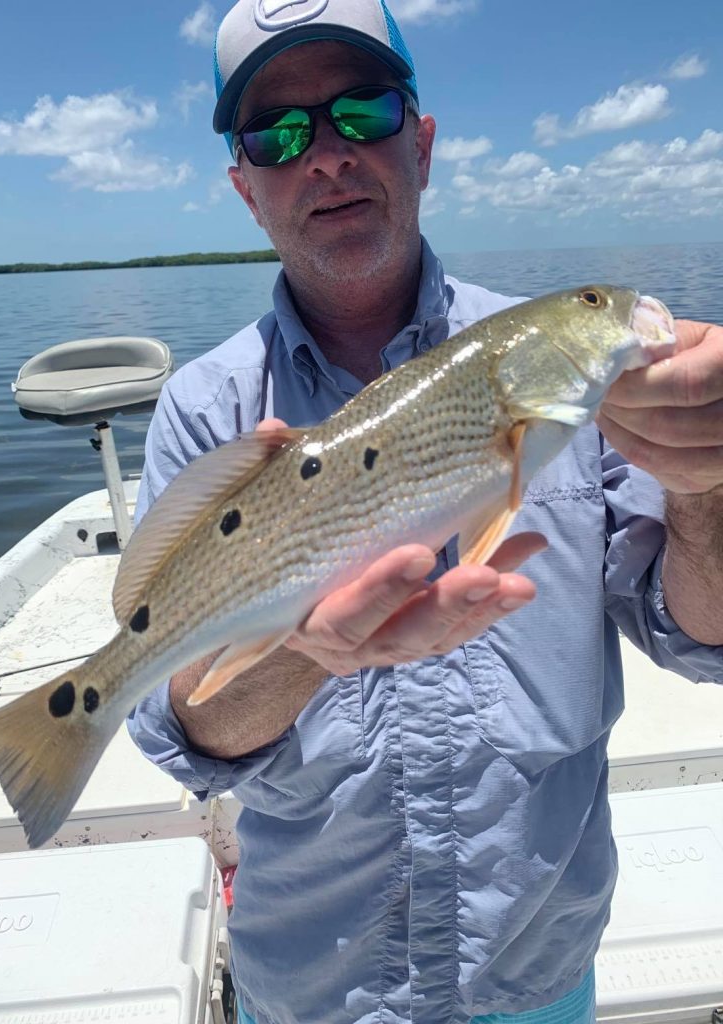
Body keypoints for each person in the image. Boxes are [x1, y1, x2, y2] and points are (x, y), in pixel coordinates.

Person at [127, 1, 723, 1021]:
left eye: (362, 111)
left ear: (423, 141)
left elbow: (700, 638)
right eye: (276, 135)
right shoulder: (209, 408)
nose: (324, 156)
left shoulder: (576, 380)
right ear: (244, 188)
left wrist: (707, 486)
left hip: (540, 975)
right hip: (317, 990)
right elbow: (184, 728)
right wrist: (309, 650)